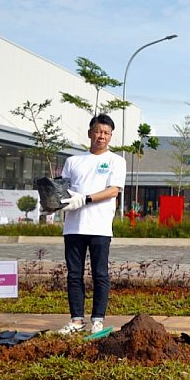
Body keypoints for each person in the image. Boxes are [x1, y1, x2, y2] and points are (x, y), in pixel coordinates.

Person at [57, 114, 126, 335]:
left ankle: (98, 319)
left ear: (111, 136)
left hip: (99, 227)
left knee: (100, 274)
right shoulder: (73, 161)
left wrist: (85, 199)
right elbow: (62, 190)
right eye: (98, 131)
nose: (101, 136)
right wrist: (55, 202)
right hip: (74, 227)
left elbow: (113, 190)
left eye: (106, 133)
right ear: (90, 133)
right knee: (74, 274)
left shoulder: (116, 161)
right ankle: (77, 319)